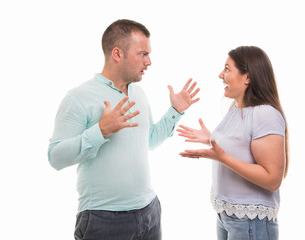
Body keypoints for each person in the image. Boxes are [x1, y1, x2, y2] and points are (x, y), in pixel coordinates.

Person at [48, 19, 199, 240]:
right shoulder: (78, 97)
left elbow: (149, 141)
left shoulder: (139, 94)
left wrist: (175, 111)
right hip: (103, 220)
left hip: (149, 211)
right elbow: (55, 157)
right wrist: (100, 131)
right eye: (143, 54)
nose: (149, 62)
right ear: (117, 54)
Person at [177, 46, 289, 240]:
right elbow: (239, 146)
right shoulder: (235, 108)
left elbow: (273, 180)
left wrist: (223, 158)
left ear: (248, 77)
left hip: (251, 221)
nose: (221, 74)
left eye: (227, 69)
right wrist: (211, 138)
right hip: (227, 215)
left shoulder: (265, 114)